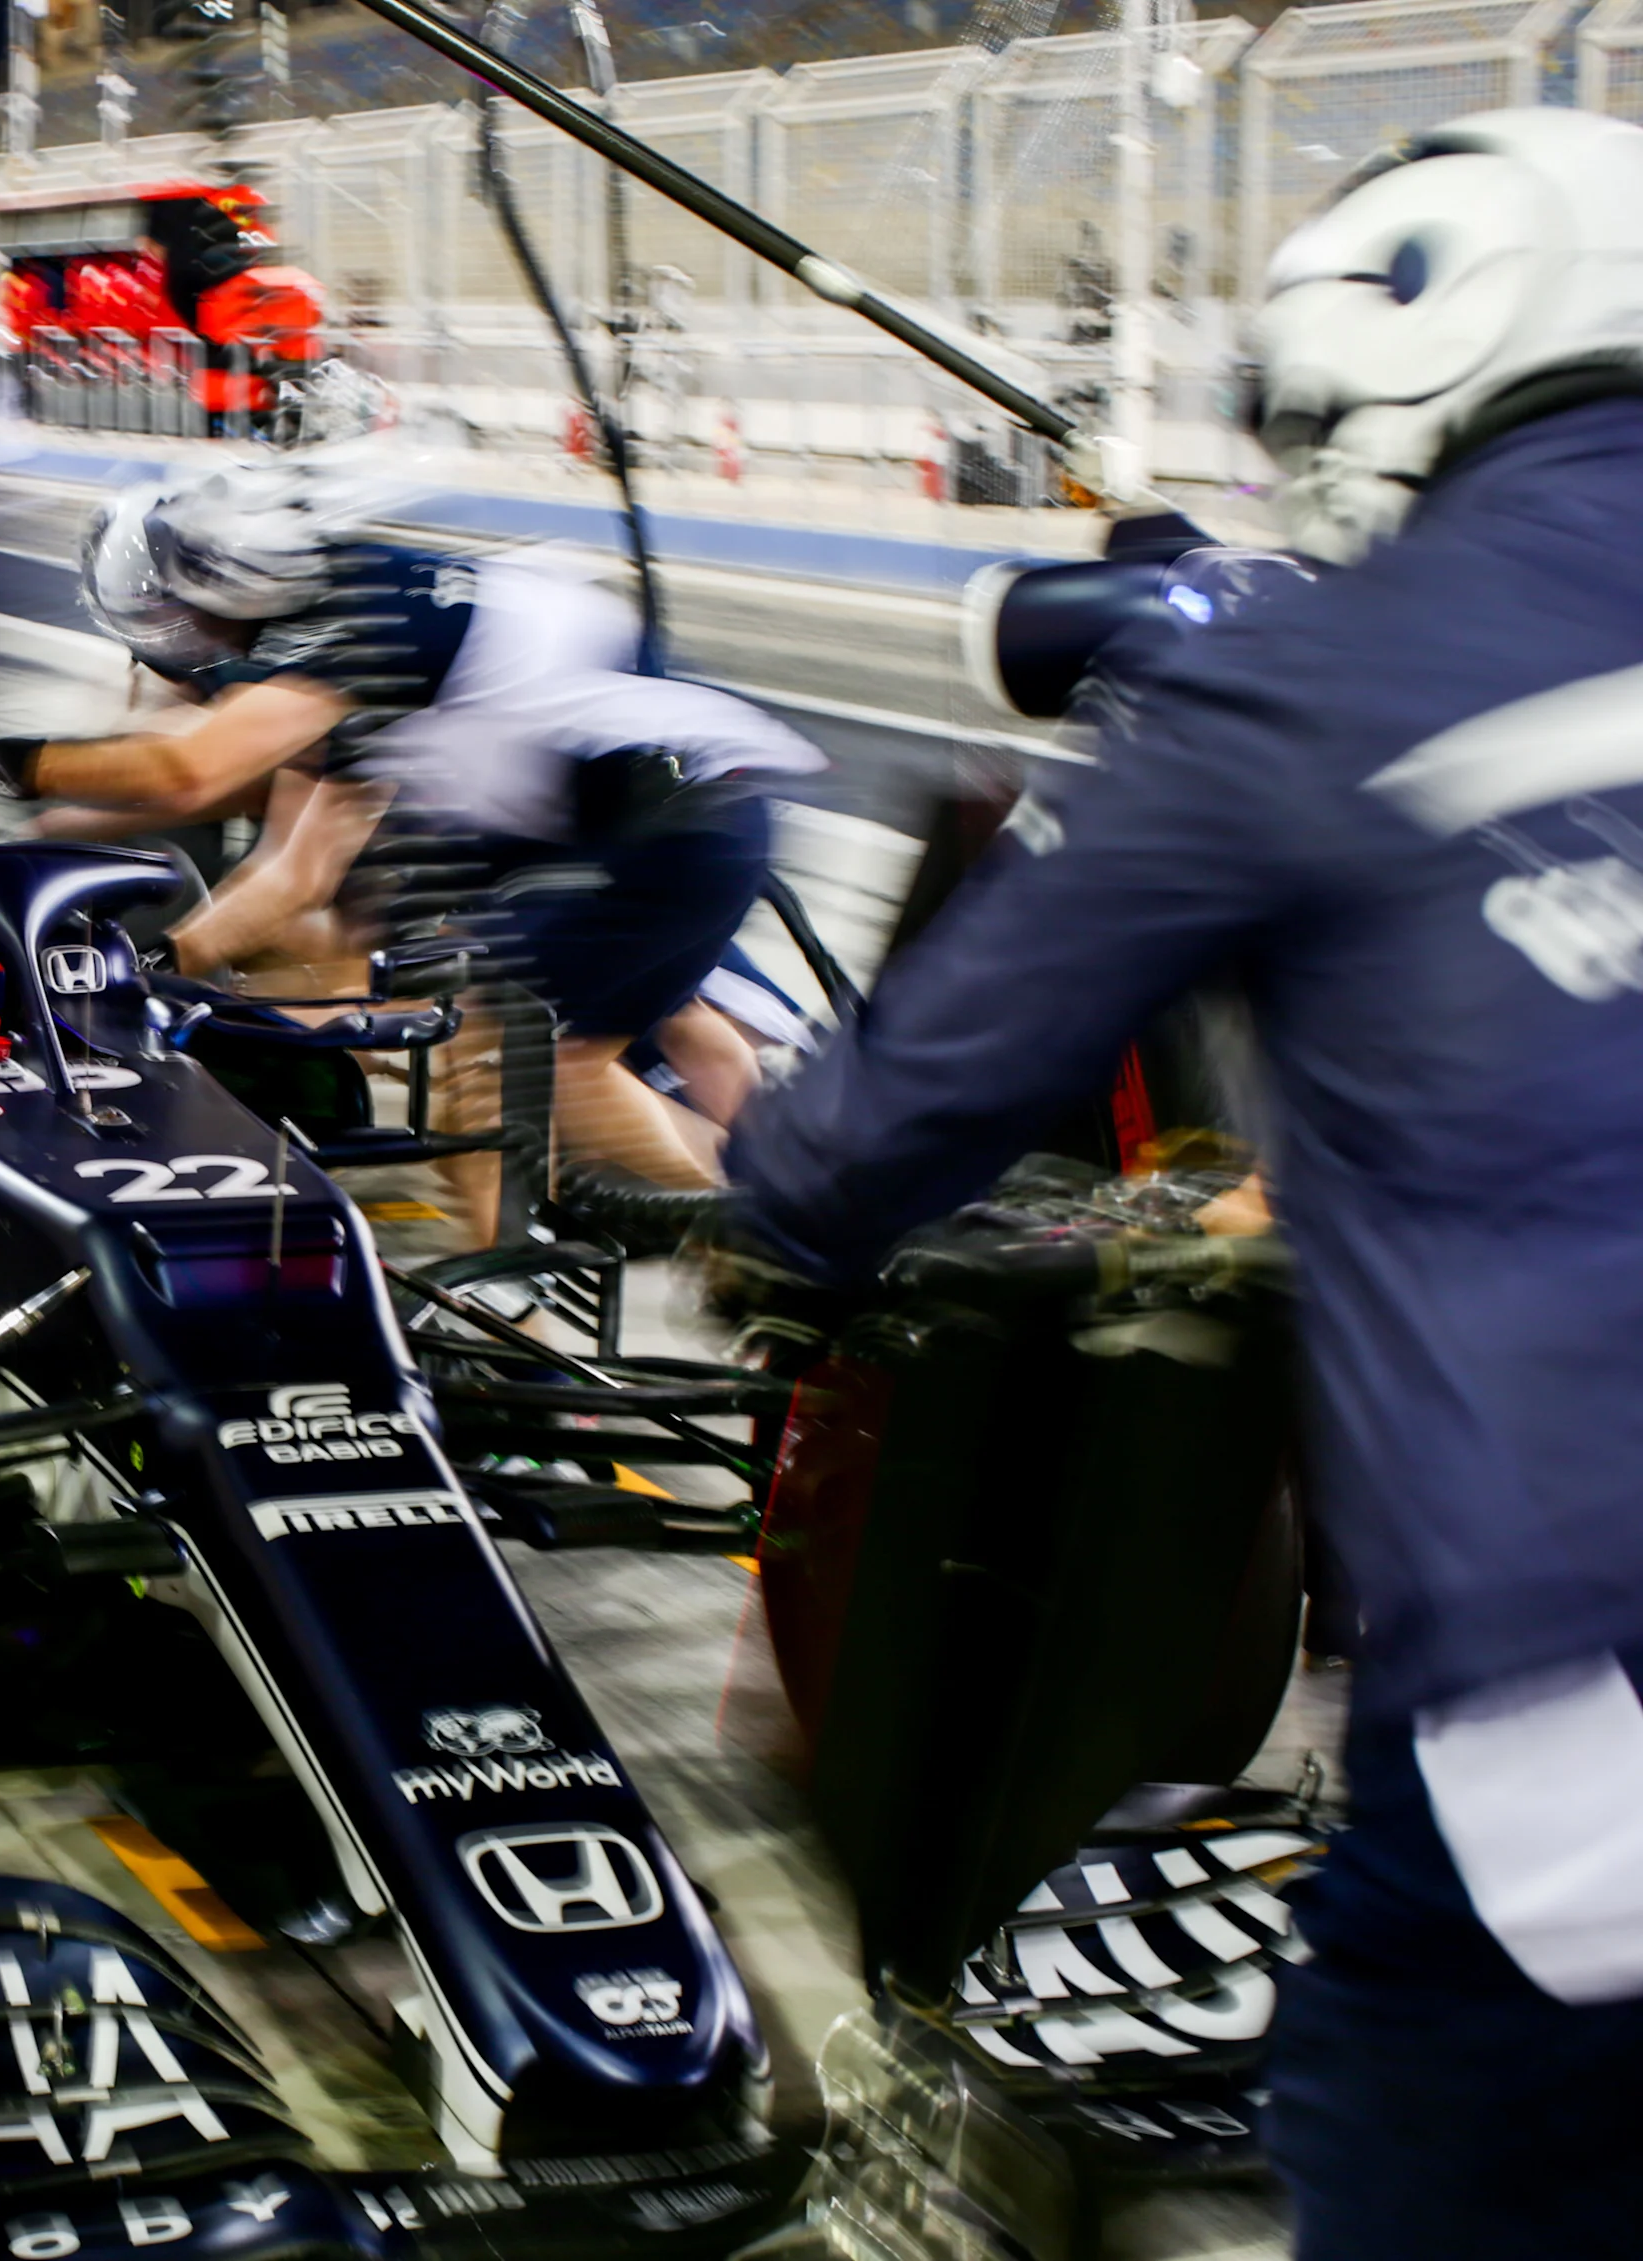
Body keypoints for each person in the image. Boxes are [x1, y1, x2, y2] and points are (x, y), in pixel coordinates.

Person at [713, 110, 1643, 2259]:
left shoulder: (1303, 677)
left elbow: (896, 1103)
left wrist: (769, 1203)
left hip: (1582, 1685)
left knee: (1423, 2134)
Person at [0, 460, 823, 1223]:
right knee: (602, 1037)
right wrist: (162, 961)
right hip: (678, 817)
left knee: (494, 1073)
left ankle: (753, 1242)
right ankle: (802, 1203)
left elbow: (189, 773)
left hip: (660, 824)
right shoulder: (376, 608)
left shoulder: (355, 624)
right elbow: (296, 869)